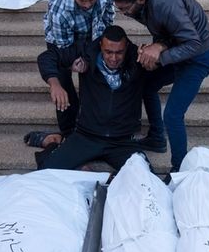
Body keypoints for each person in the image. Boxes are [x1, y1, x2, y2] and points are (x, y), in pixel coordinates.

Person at [109, 0, 209, 173]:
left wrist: (159, 57)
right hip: (179, 50)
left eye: (125, 9)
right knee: (147, 85)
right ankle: (157, 138)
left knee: (173, 115)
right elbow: (169, 32)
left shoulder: (165, 5)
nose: (123, 13)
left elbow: (194, 43)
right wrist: (155, 47)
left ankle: (179, 170)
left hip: (199, 57)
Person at [34, 25, 149, 171]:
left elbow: (168, 67)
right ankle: (53, 142)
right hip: (87, 137)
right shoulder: (87, 51)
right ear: (100, 45)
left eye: (119, 52)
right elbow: (47, 57)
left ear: (126, 47)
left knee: (145, 179)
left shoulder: (137, 57)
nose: (113, 58)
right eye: (108, 52)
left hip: (122, 141)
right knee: (47, 169)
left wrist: (158, 51)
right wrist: (55, 84)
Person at [25, 0, 115, 149]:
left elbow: (107, 17)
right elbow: (64, 51)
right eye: (82, 0)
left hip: (94, 33)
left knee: (93, 74)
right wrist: (73, 63)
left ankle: (94, 123)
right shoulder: (60, 11)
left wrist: (92, 54)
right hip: (63, 41)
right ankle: (68, 130)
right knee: (63, 82)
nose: (88, 4)